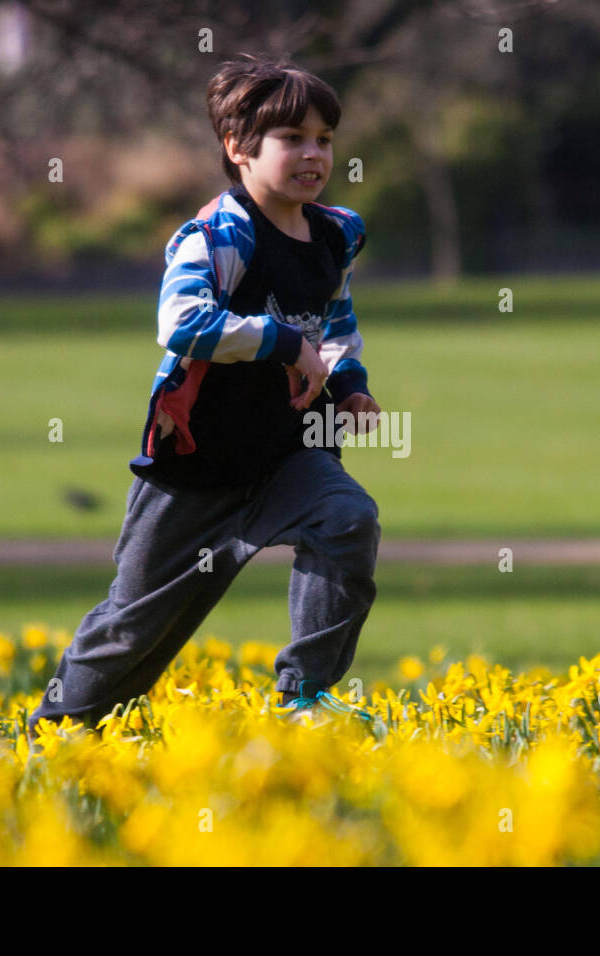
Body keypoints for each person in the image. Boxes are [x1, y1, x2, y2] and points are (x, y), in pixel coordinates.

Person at [27, 53, 383, 738]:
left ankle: (304, 697)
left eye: (325, 140)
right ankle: (56, 733)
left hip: (287, 459)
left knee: (348, 520)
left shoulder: (335, 234)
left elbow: (332, 322)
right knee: (135, 631)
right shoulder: (218, 235)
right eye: (292, 139)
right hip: (196, 469)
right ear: (238, 150)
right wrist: (283, 344)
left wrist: (348, 385)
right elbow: (181, 324)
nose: (314, 154)